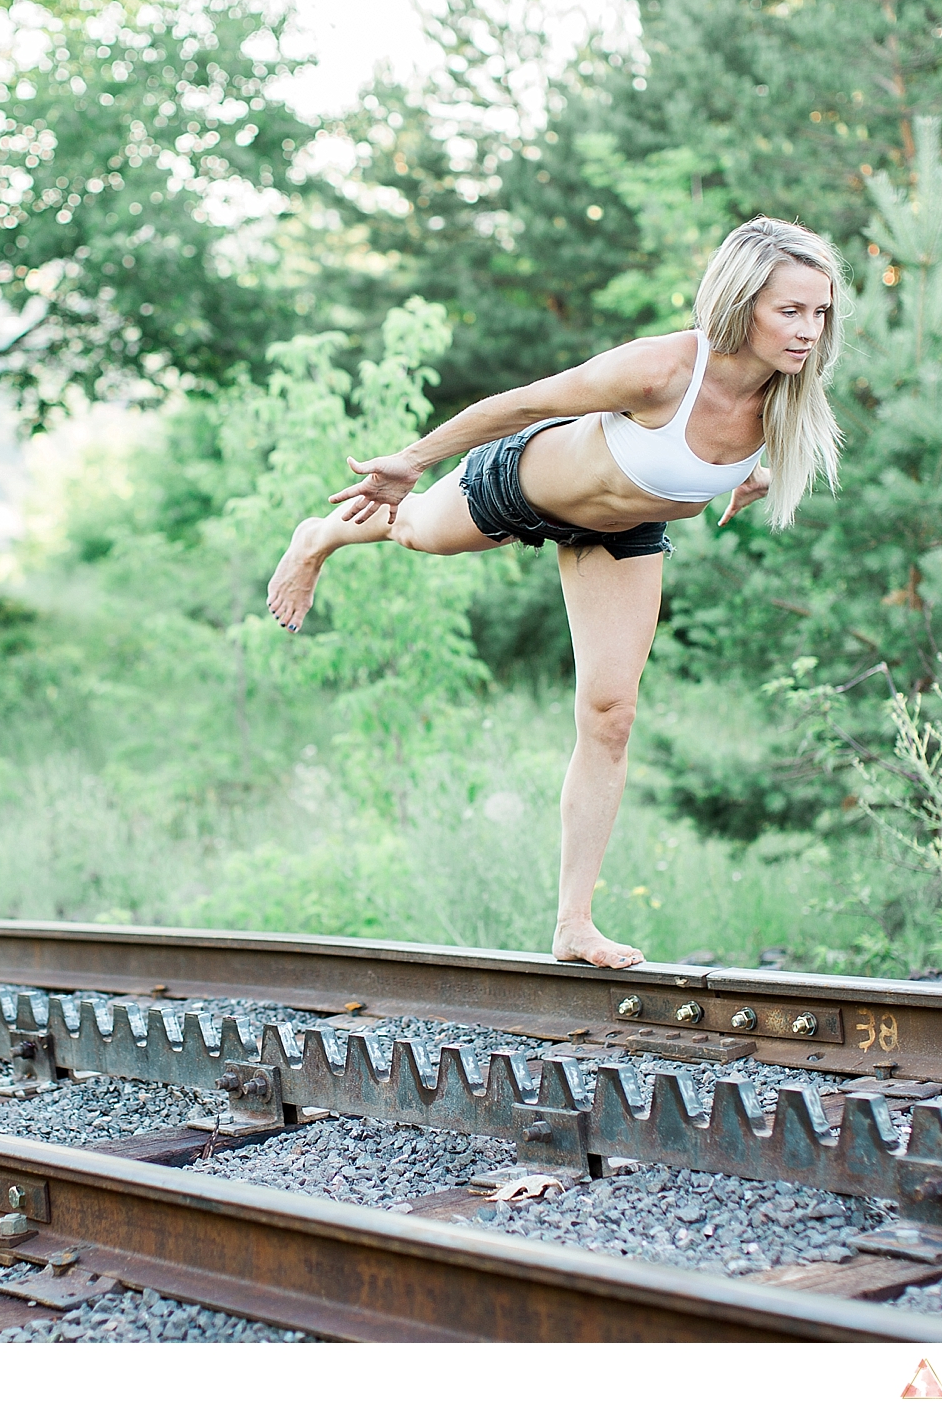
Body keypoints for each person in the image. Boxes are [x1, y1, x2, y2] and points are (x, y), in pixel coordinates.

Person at [266, 217, 847, 970]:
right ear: (741, 303)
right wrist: (413, 456)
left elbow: (719, 456)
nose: (808, 331)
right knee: (409, 530)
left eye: (821, 312)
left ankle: (574, 923)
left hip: (622, 535)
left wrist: (748, 476)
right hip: (519, 485)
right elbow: (526, 402)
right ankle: (320, 536)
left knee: (611, 714)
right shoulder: (661, 369)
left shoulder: (788, 400)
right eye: (790, 311)